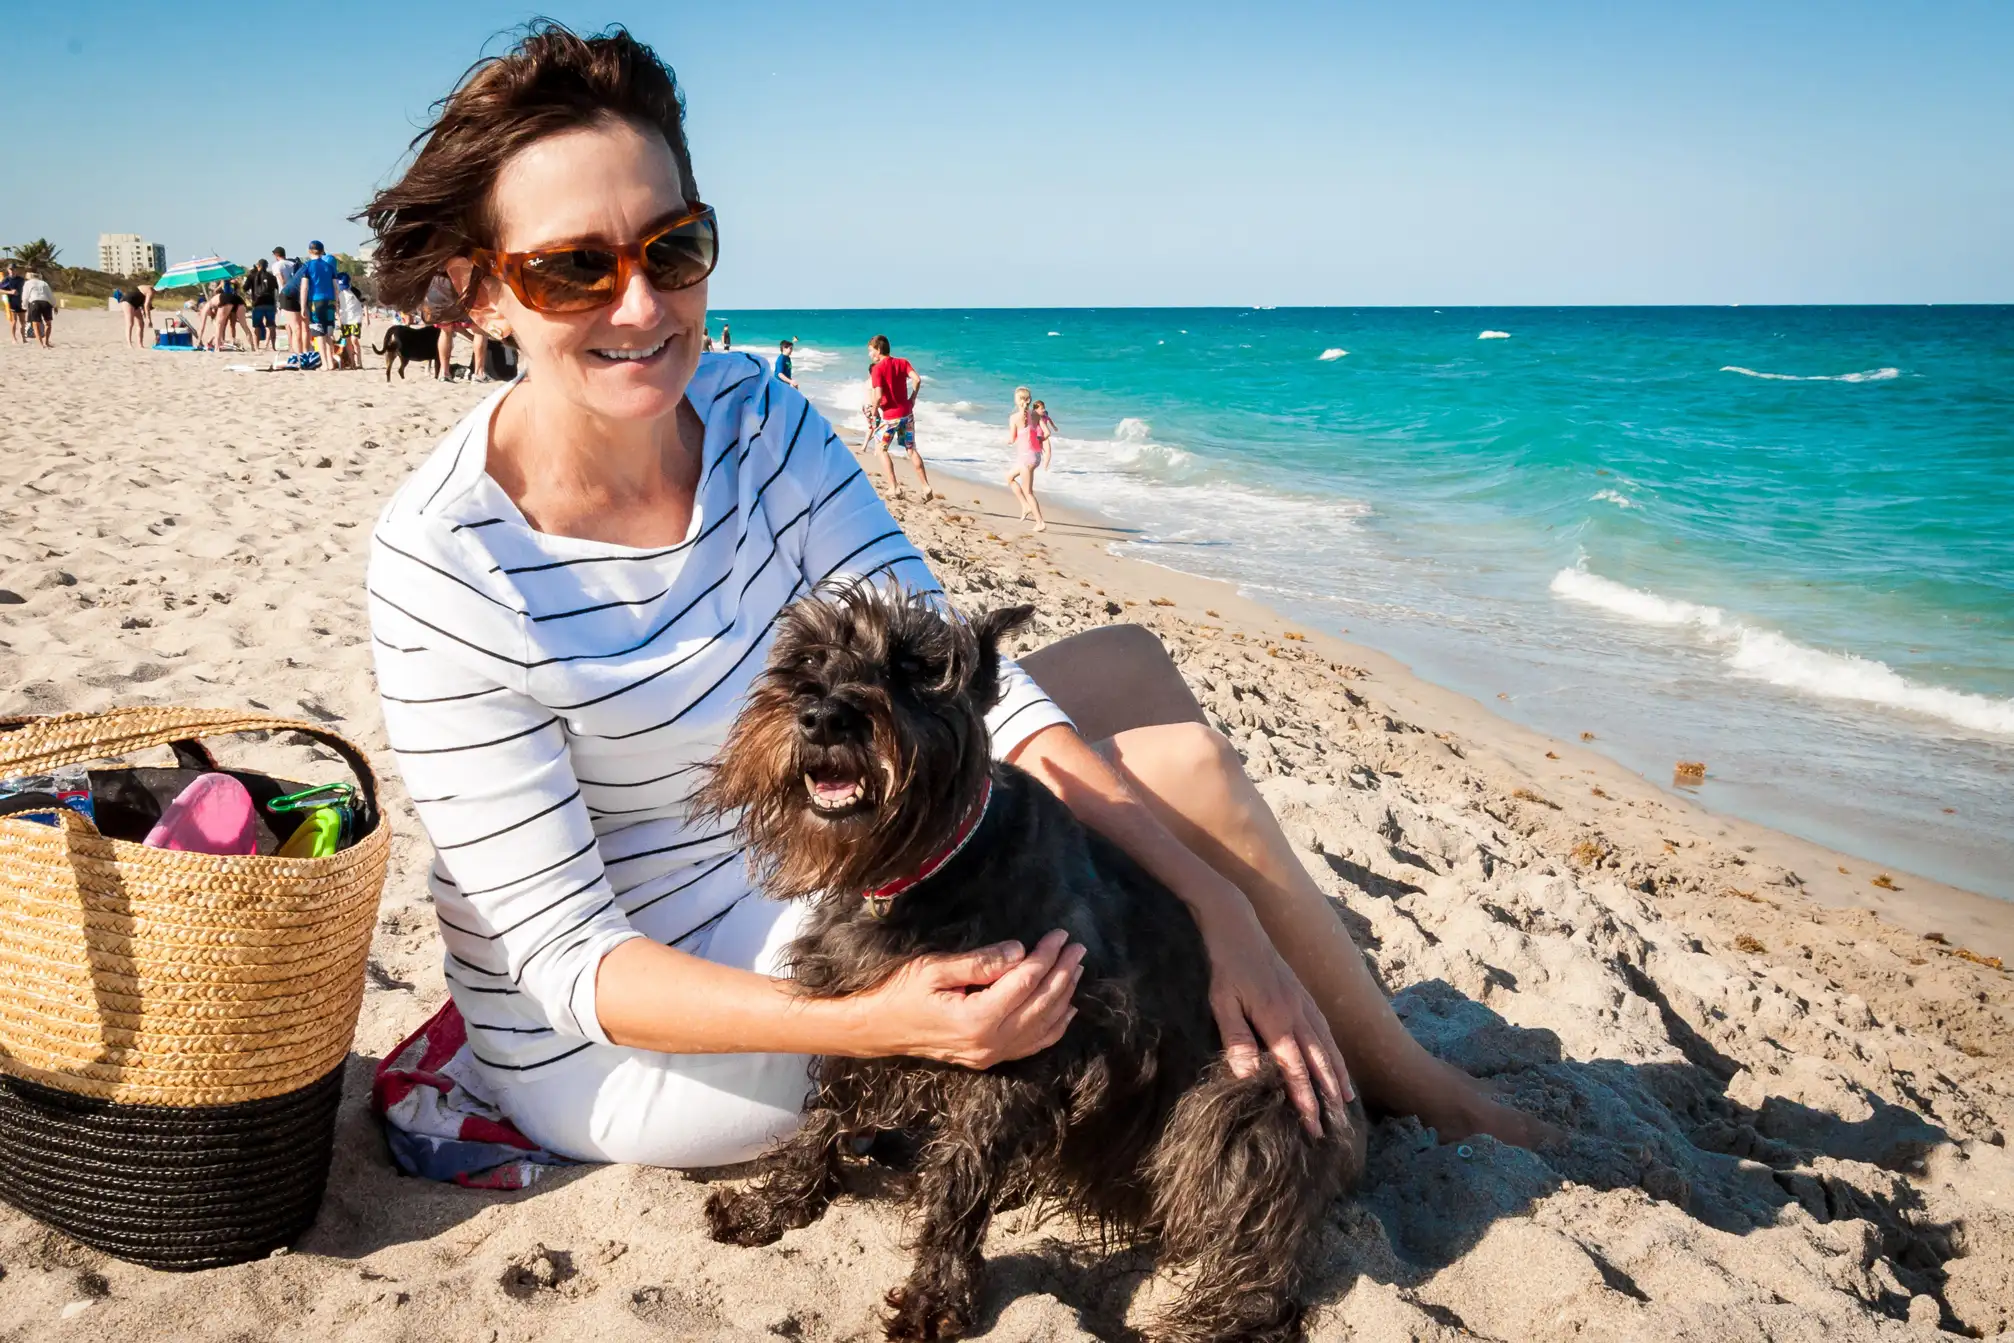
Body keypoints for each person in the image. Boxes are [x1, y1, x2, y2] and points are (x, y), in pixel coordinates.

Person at [359, 23, 1548, 1174]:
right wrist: (891, 1021)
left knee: (1130, 665)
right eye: (575, 268)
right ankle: (1405, 1083)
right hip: (637, 1028)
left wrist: (1221, 901)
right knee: (1181, 772)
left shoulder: (749, 414)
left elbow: (975, 680)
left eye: (670, 249)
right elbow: (571, 962)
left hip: (795, 815)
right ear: (477, 294)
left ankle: (1270, 983)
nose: (639, 306)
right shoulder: (448, 560)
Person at [866, 334, 934, 501]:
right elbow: (917, 379)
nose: (869, 354)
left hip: (890, 417)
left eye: (870, 351)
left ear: (878, 350)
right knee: (911, 449)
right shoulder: (902, 362)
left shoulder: (877, 369)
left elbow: (878, 396)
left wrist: (874, 412)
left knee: (881, 449)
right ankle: (926, 487)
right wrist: (913, 398)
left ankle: (894, 487)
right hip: (907, 414)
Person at [1006, 385, 1050, 532]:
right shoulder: (1037, 415)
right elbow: (1047, 433)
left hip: (1026, 459)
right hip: (1035, 456)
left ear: (1017, 400)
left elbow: (1012, 439)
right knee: (1009, 477)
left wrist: (1008, 441)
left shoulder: (1014, 418)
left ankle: (1040, 522)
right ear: (1029, 400)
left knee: (1028, 491)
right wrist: (1038, 440)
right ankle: (1025, 506)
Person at [295, 240, 341, 371]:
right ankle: (331, 361)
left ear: (309, 251)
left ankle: (325, 364)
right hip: (330, 301)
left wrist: (303, 306)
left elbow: (304, 288)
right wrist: (336, 303)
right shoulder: (329, 266)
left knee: (318, 332)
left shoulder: (308, 266)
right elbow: (336, 287)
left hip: (316, 301)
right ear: (322, 251)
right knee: (328, 332)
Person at [244, 260, 279, 350]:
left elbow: (245, 288)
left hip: (257, 303)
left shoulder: (252, 276)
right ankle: (273, 347)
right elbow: (276, 289)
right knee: (271, 325)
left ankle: (257, 346)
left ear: (258, 266)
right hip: (270, 303)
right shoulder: (272, 277)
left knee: (257, 326)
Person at [271, 247, 302, 353]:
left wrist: (285, 290)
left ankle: (291, 345)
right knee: (297, 321)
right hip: (297, 293)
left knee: (288, 322)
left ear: (276, 255)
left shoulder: (277, 265)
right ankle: (296, 344)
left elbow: (281, 279)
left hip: (285, 294)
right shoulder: (292, 264)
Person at [336, 272, 367, 368]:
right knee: (347, 340)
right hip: (344, 319)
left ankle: (359, 362)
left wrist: (367, 317)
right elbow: (336, 306)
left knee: (354, 340)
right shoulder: (337, 292)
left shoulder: (355, 291)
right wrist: (338, 320)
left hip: (356, 318)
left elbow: (364, 302)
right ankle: (352, 361)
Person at [21, 270, 55, 347]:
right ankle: (46, 342)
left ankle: (41, 344)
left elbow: (25, 296)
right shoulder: (44, 283)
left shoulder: (28, 283)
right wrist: (54, 305)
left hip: (35, 302)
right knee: (48, 324)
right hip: (45, 303)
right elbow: (50, 295)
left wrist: (24, 306)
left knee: (35, 324)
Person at [0, 263, 22, 343]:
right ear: (8, 270)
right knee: (14, 321)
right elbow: (0, 290)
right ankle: (14, 338)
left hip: (22, 302)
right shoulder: (6, 280)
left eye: (13, 269)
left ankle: (23, 338)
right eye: (10, 269)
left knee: (23, 322)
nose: (12, 271)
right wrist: (10, 292)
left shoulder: (21, 279)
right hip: (13, 302)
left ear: (16, 270)